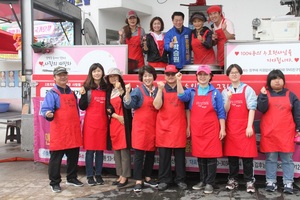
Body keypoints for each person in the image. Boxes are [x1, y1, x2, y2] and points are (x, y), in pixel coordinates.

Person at [177, 65, 226, 194]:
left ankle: (210, 182)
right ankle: (203, 180)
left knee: (211, 157)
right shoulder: (192, 92)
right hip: (197, 129)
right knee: (200, 156)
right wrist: (178, 81)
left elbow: (221, 112)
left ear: (210, 77)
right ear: (197, 77)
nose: (202, 77)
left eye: (205, 74)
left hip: (211, 129)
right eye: (200, 75)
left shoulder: (215, 93)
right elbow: (181, 96)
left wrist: (223, 129)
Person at [257, 69, 300, 194]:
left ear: (283, 81)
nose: (277, 81)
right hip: (269, 133)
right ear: (269, 82)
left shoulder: (291, 95)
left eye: (279, 78)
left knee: (287, 159)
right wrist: (263, 96)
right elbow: (261, 108)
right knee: (271, 159)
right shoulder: (265, 94)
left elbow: (297, 113)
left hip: (286, 133)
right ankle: (270, 181)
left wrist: (299, 128)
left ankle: (288, 182)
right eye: (274, 79)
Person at [41, 66, 83, 193]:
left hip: (72, 131)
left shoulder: (72, 93)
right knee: (56, 159)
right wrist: (48, 113)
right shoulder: (52, 94)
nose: (63, 77)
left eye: (65, 74)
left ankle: (71, 178)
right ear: (54, 78)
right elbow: (45, 109)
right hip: (59, 132)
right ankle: (54, 182)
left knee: (73, 157)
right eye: (60, 75)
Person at [222, 64, 257, 193]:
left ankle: (249, 181)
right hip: (231, 128)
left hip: (245, 128)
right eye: (231, 73)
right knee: (232, 157)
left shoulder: (248, 90)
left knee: (247, 158)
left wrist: (249, 126)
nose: (234, 74)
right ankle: (233, 179)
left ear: (240, 74)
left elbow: (252, 108)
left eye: (236, 72)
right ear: (228, 75)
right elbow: (225, 111)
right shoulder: (225, 91)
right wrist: (228, 100)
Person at [153, 65, 189, 191]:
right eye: (168, 74)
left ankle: (180, 179)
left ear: (177, 74)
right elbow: (157, 106)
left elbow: (187, 109)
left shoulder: (183, 89)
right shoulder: (160, 89)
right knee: (164, 157)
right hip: (164, 128)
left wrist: (188, 126)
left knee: (180, 157)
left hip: (179, 127)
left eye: (173, 74)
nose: (170, 76)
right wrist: (159, 90)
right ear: (164, 76)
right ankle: (164, 179)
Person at [123, 65, 158, 192]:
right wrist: (127, 92)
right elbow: (129, 104)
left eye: (149, 75)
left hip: (153, 128)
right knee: (139, 155)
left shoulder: (157, 90)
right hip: (140, 128)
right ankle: (138, 179)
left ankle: (148, 177)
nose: (147, 78)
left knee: (150, 154)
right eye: (145, 76)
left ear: (153, 77)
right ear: (141, 78)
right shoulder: (138, 91)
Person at [79, 63, 108, 186]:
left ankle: (99, 174)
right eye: (94, 71)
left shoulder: (106, 87)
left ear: (102, 72)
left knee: (100, 151)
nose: (97, 73)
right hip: (90, 124)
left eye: (99, 71)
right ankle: (90, 175)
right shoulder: (86, 87)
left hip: (103, 122)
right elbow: (82, 106)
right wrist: (83, 95)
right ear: (91, 73)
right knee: (90, 151)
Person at [105, 67, 132, 188]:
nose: (113, 78)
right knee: (116, 150)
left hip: (124, 124)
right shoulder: (108, 90)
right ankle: (119, 174)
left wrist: (121, 89)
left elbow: (128, 103)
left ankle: (125, 176)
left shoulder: (125, 88)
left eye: (115, 76)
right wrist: (116, 116)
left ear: (119, 77)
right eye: (111, 76)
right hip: (114, 122)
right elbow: (107, 108)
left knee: (124, 151)